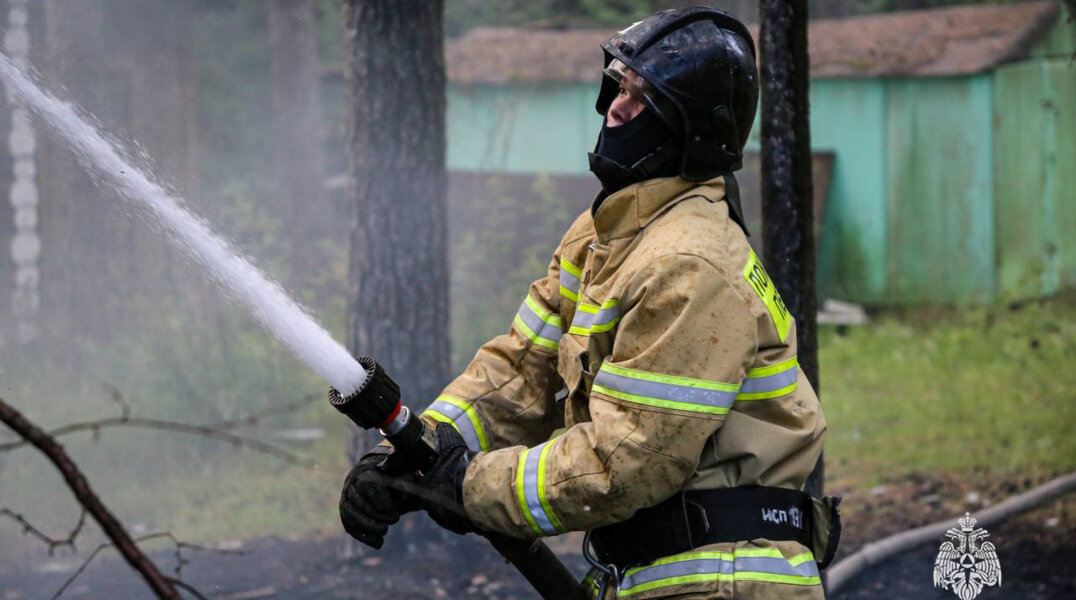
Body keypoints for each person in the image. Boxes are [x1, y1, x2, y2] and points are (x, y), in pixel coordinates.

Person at [339, 7, 840, 599]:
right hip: (655, 571)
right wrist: (413, 450)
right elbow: (519, 373)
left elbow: (625, 462)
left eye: (644, 98)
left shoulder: (688, 264)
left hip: (723, 580)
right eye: (619, 87)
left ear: (692, 129)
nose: (617, 108)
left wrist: (469, 485)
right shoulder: (604, 237)